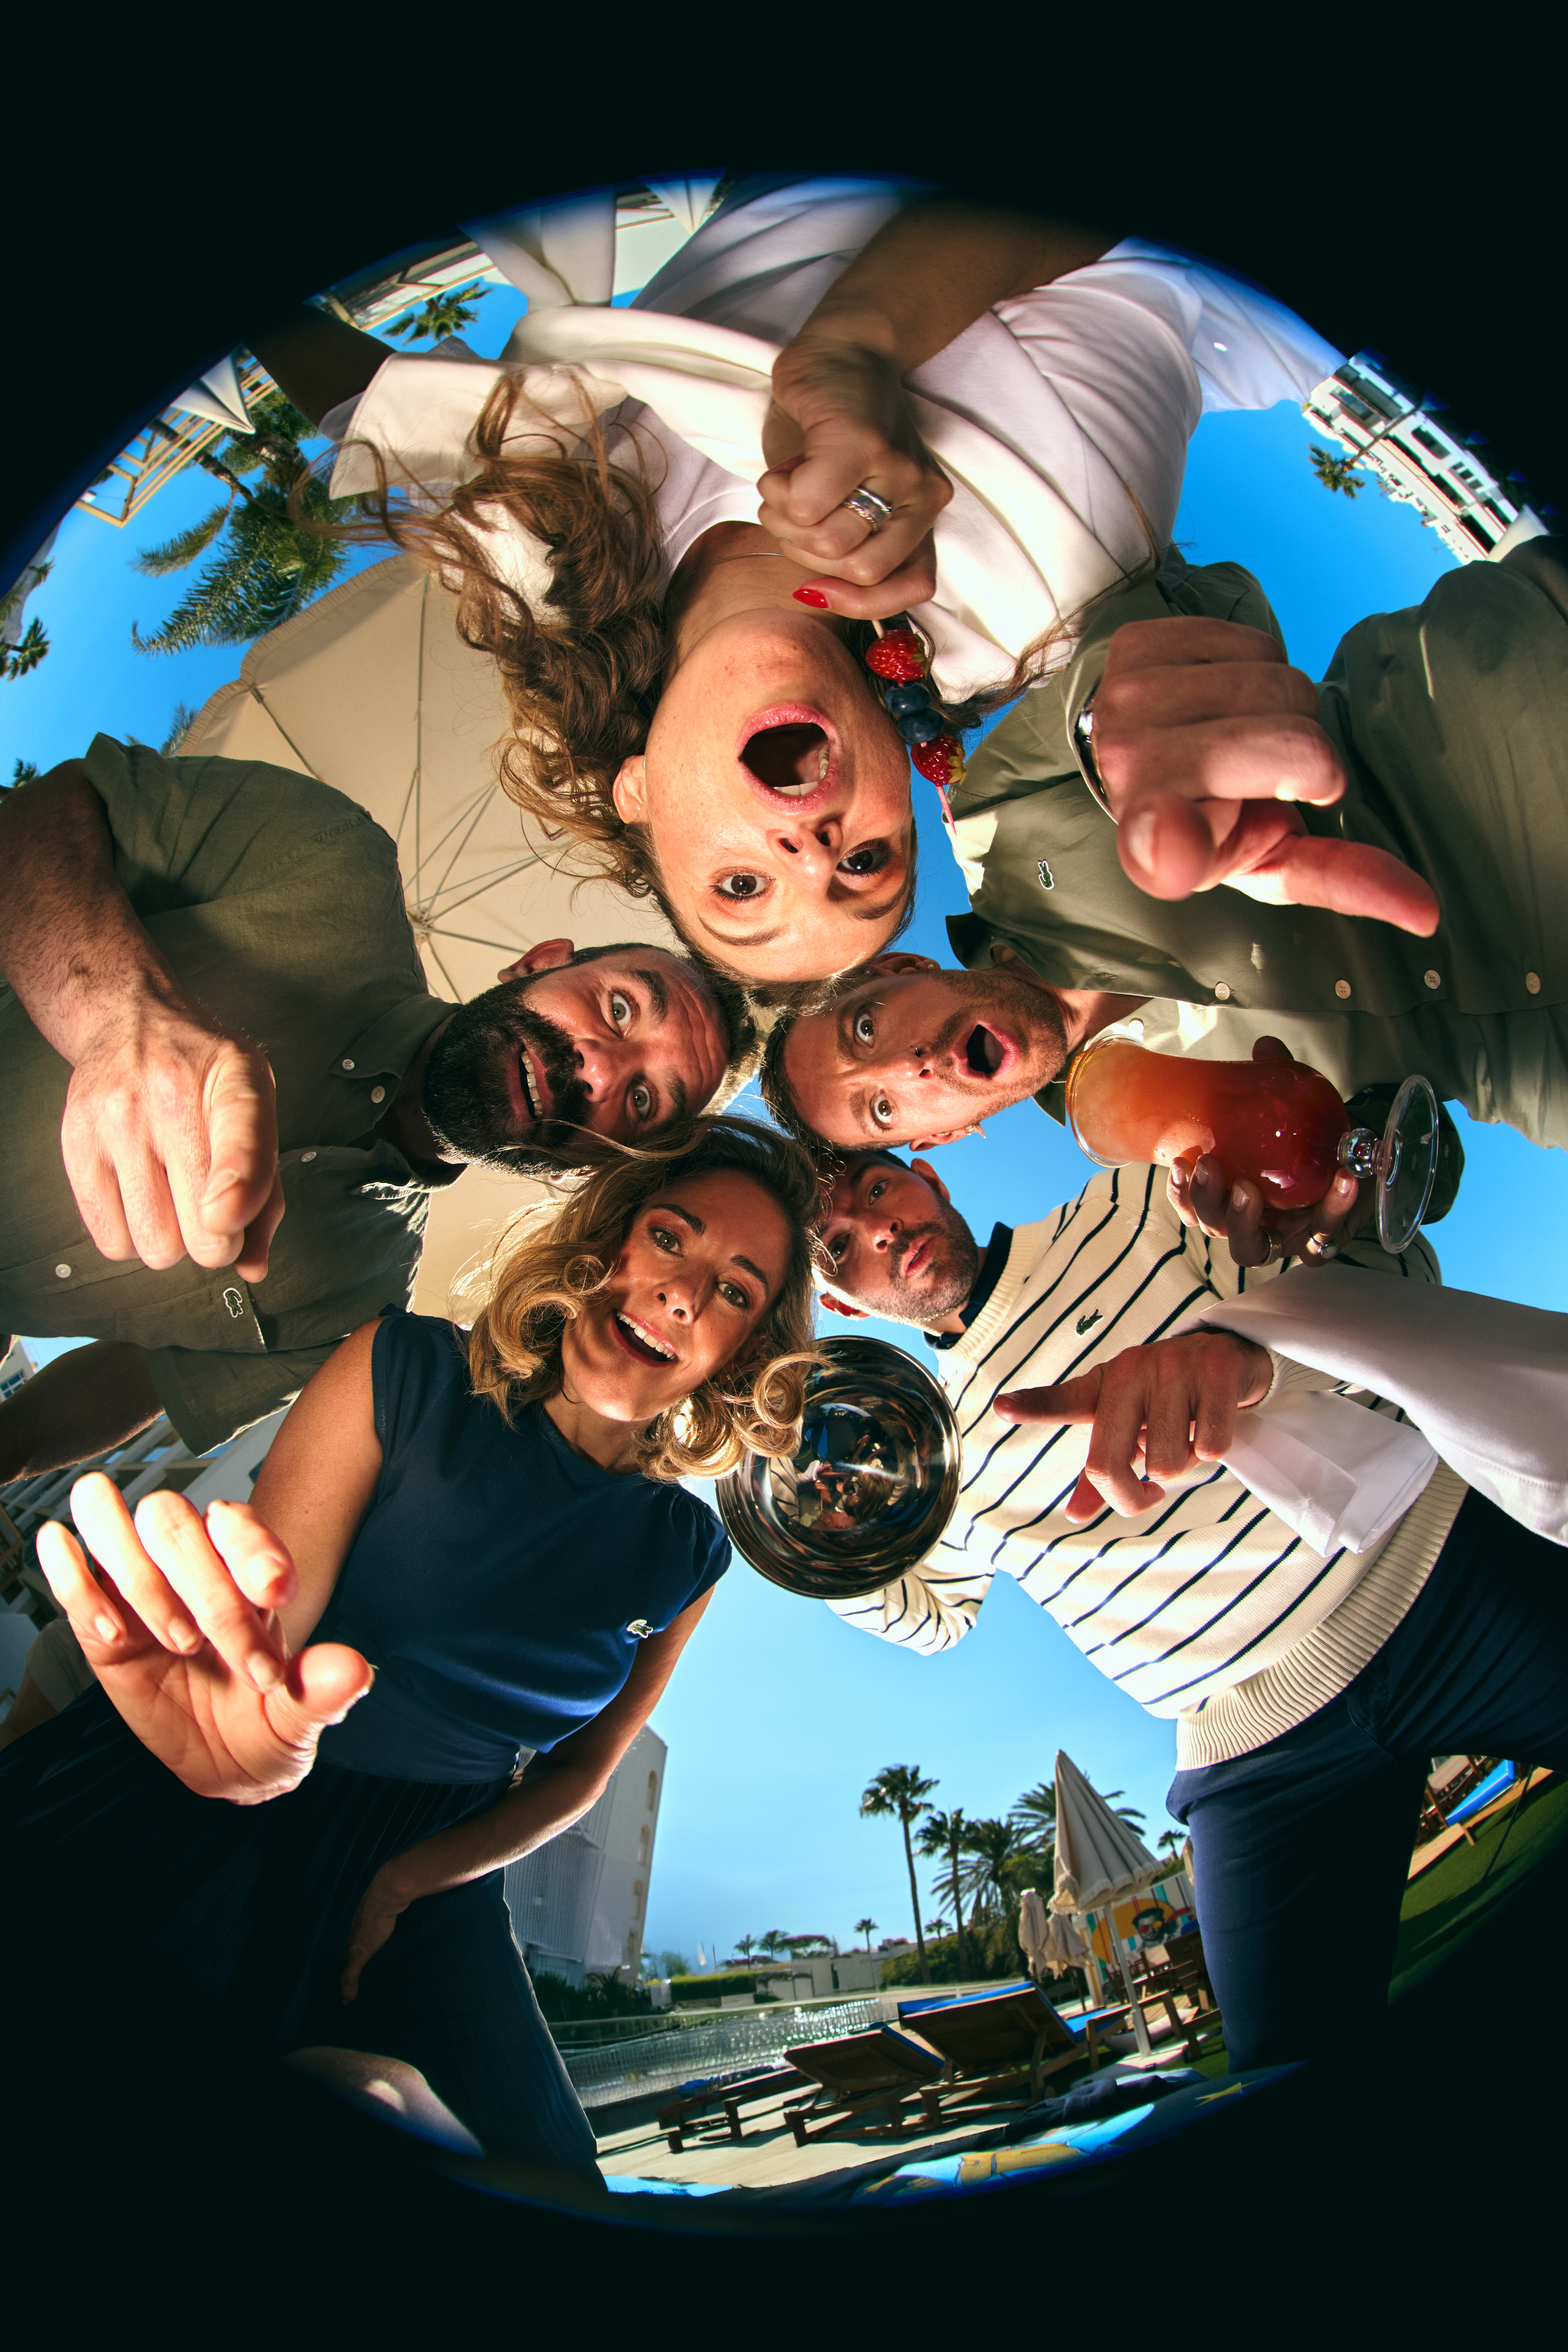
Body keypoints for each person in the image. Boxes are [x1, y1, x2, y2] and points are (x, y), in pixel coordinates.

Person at [249, 174, 1348, 985]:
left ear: (639, 797)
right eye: (869, 862)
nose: (813, 853)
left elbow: (362, 407)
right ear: (905, 786)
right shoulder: (1043, 570)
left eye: (742, 890)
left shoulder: (547, 558)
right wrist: (856, 348)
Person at [1, 1115, 820, 2171]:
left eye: (738, 1291)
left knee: (558, 2193)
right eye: (672, 1238)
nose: (685, 1295)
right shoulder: (404, 1367)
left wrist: (406, 1883)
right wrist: (243, 1705)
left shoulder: (689, 1552)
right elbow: (271, 1626)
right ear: (608, 1239)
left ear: (743, 1350)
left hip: (435, 1873)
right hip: (228, 1785)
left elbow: (578, 1774)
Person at [0, 740, 751, 1479]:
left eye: (644, 1100)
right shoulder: (330, 856)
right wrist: (112, 1013)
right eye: (618, 1008)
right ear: (542, 961)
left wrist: (11, 1450)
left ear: (594, 1166)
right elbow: (39, 818)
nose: (600, 1069)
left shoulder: (359, 1312)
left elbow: (142, 1378)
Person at [932, 536, 1568, 1156]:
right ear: (942, 1136)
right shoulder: (1124, 1130)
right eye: (883, 1110)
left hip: (1511, 737)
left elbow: (1216, 595)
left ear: (894, 970)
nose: (916, 1066)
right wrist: (1339, 1191)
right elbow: (1429, 1160)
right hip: (1537, 1062)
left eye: (865, 1027)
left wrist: (1109, 719)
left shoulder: (990, 818)